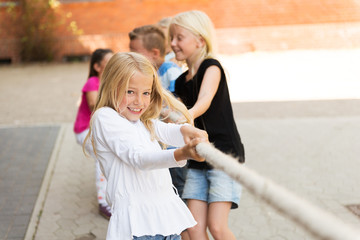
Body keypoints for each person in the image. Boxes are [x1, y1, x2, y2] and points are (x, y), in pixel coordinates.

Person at [84, 52, 209, 240]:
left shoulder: (139, 120)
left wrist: (187, 131)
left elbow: (164, 130)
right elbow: (139, 158)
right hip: (138, 226)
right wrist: (182, 153)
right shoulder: (105, 117)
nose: (139, 101)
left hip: (164, 216)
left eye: (146, 93)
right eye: (130, 91)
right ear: (111, 87)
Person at [170, 10, 246, 240]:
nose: (173, 44)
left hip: (224, 155)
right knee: (192, 229)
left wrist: (186, 116)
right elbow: (168, 109)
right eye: (171, 38)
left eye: (179, 37)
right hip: (198, 158)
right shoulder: (180, 81)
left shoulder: (211, 67)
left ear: (200, 40)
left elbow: (204, 99)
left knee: (217, 227)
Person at [128, 24, 188, 201]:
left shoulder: (170, 71)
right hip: (161, 145)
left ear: (154, 53)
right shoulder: (150, 73)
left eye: (134, 51)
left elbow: (178, 106)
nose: (130, 54)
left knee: (178, 189)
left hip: (173, 145)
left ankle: (184, 227)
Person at [73, 48, 113, 220]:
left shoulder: (109, 82)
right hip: (85, 130)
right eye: (109, 61)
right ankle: (104, 202)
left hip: (99, 130)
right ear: (97, 66)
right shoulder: (93, 82)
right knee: (103, 154)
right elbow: (94, 106)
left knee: (112, 154)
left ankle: (113, 193)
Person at [129, 24, 182, 93]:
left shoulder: (171, 71)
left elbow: (178, 100)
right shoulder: (145, 73)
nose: (131, 56)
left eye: (135, 53)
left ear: (155, 53)